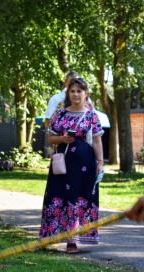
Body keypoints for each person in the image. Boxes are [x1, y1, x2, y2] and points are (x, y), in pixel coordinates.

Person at [39, 78, 104, 253]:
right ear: (68, 94)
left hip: (84, 165)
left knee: (77, 197)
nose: (76, 94)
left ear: (86, 94)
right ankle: (49, 236)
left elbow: (97, 141)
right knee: (57, 194)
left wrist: (100, 163)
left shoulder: (92, 116)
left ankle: (72, 241)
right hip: (62, 162)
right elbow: (51, 138)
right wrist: (62, 138)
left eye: (79, 91)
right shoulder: (60, 114)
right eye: (72, 91)